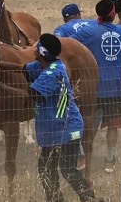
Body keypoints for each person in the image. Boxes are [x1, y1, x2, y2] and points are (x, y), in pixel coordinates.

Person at [23, 33, 98, 202]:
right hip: (58, 128)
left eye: (37, 47)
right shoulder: (48, 65)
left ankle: (84, 199)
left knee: (63, 168)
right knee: (50, 168)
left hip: (66, 128)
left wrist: (2, 86)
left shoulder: (51, 73)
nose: (33, 48)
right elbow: (21, 68)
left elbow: (32, 95)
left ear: (41, 53)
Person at [70, 0, 121, 174]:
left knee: (86, 125)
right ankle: (110, 161)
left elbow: (69, 45)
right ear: (113, 13)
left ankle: (81, 157)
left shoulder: (88, 32)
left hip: (93, 88)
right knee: (113, 126)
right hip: (116, 88)